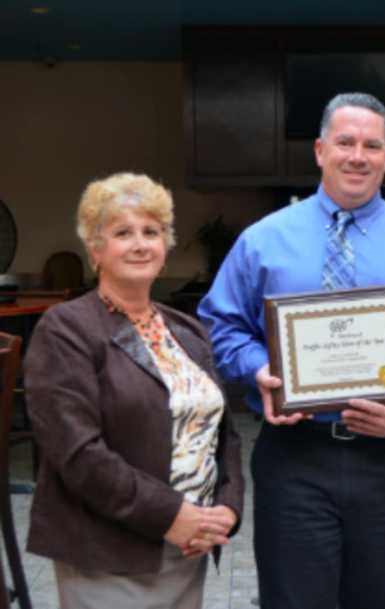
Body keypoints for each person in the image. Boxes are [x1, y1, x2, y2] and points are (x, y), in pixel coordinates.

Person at [198, 92, 385, 609]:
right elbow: (219, 325)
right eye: (345, 142)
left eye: (371, 145)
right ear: (320, 150)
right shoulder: (263, 240)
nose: (358, 155)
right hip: (295, 456)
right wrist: (257, 367)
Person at [24, 173, 244, 609]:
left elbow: (225, 434)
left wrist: (227, 509)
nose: (140, 244)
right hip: (109, 553)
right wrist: (171, 516)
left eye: (152, 232)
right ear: (95, 249)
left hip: (187, 549)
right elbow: (78, 454)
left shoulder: (185, 329)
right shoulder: (66, 329)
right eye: (123, 233)